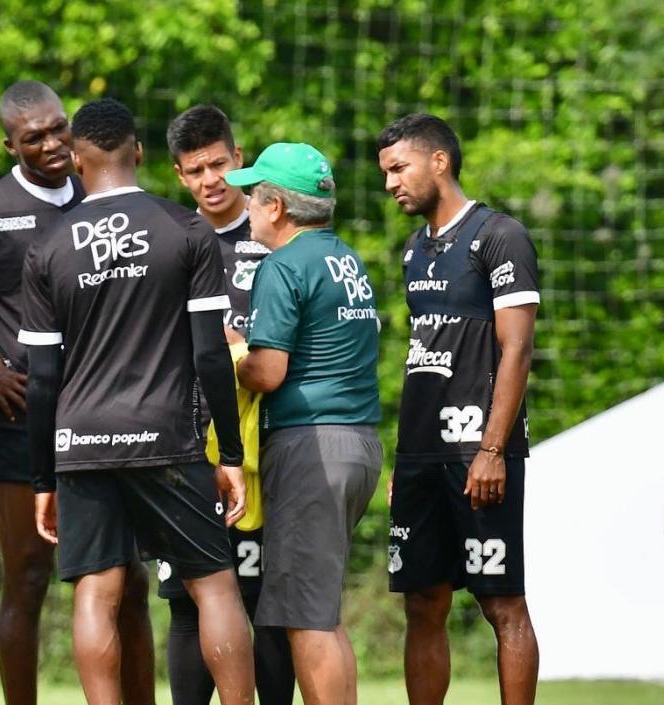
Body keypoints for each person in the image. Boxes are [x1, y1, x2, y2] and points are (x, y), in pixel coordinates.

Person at [20, 98, 256, 705]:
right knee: (214, 587)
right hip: (167, 437)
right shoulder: (186, 230)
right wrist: (228, 453)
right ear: (142, 153)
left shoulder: (46, 247)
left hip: (80, 440)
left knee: (96, 592)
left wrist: (42, 472)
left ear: (76, 160)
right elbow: (210, 356)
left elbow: (41, 376)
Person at [0, 80, 154, 705]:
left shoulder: (103, 195)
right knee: (30, 578)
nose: (50, 144)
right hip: (21, 418)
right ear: (11, 146)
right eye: (32, 137)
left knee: (130, 582)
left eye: (57, 128)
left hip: (107, 413)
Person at [376, 114, 540, 705]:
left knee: (501, 604)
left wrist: (493, 450)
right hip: (422, 454)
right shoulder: (415, 249)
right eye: (386, 172)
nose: (391, 183)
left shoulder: (500, 236)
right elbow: (426, 356)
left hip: (480, 451)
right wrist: (404, 459)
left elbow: (517, 348)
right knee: (423, 601)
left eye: (399, 169)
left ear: (439, 161)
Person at [227, 142, 383, 705]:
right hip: (358, 442)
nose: (244, 204)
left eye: (252, 194)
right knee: (322, 614)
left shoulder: (283, 265)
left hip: (309, 446)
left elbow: (269, 373)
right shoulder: (344, 257)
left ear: (275, 207)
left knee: (306, 620)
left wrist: (231, 354)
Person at [163, 105, 294, 705]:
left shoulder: (275, 236)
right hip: (187, 449)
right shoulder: (169, 240)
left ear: (239, 159)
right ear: (179, 175)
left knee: (264, 603)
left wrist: (236, 348)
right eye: (196, 171)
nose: (210, 179)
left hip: (268, 449)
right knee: (186, 604)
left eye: (219, 163)